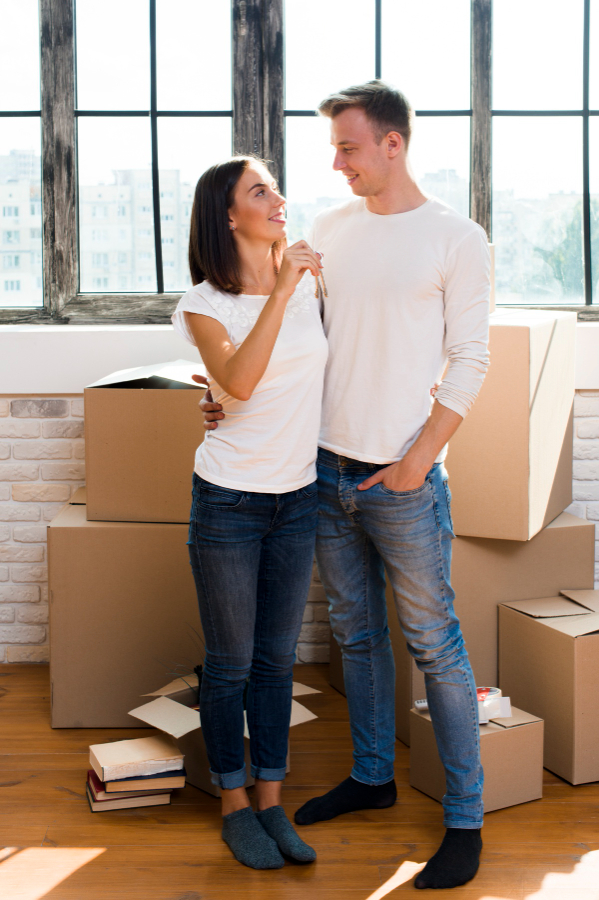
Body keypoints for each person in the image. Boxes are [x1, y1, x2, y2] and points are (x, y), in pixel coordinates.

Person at [201, 81, 491, 891]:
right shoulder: (328, 231)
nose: (334, 164)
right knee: (356, 636)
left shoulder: (454, 238)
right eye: (332, 148)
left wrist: (415, 459)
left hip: (401, 479)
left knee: (435, 646)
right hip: (318, 473)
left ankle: (463, 820)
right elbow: (292, 341)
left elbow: (471, 359)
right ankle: (372, 776)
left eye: (348, 148)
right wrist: (220, 395)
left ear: (393, 145)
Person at [172, 156, 328, 871]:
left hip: (297, 497)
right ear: (228, 217)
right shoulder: (205, 304)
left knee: (275, 662)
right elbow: (235, 380)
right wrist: (282, 287)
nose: (278, 198)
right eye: (258, 191)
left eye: (274, 186)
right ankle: (233, 805)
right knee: (230, 665)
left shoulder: (311, 287)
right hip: (230, 502)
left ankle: (271, 800)